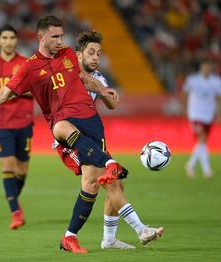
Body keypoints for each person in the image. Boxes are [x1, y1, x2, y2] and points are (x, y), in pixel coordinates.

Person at [0, 15, 163, 253]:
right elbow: (4, 94)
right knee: (67, 135)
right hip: (65, 124)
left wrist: (102, 89)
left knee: (95, 184)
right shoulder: (30, 67)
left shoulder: (67, 54)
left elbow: (83, 79)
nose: (59, 40)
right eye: (55, 36)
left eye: (61, 36)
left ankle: (75, 237)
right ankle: (140, 227)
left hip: (92, 122)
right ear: (41, 37)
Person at [55, 30, 164, 250]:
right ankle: (141, 230)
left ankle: (105, 239)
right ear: (78, 55)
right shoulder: (67, 75)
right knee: (105, 181)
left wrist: (106, 92)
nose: (96, 57)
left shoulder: (100, 79)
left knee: (109, 184)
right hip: (71, 138)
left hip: (92, 137)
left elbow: (112, 105)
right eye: (91, 53)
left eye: (98, 53)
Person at [0, 25, 34, 230]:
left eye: (12, 37)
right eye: (5, 37)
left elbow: (35, 90)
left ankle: (13, 199)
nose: (9, 41)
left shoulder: (26, 64)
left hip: (24, 121)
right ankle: (16, 213)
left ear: (16, 41)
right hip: (0, 123)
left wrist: (11, 92)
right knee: (7, 166)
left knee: (22, 170)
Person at [182, 60, 221, 179]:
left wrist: (220, 113)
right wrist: (185, 110)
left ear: (211, 69)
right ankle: (207, 169)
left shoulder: (217, 81)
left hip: (208, 115)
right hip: (195, 114)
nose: (206, 70)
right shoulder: (192, 80)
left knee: (202, 141)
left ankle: (190, 165)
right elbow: (184, 94)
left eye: (208, 68)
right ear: (201, 68)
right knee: (202, 138)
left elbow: (220, 98)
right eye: (204, 68)